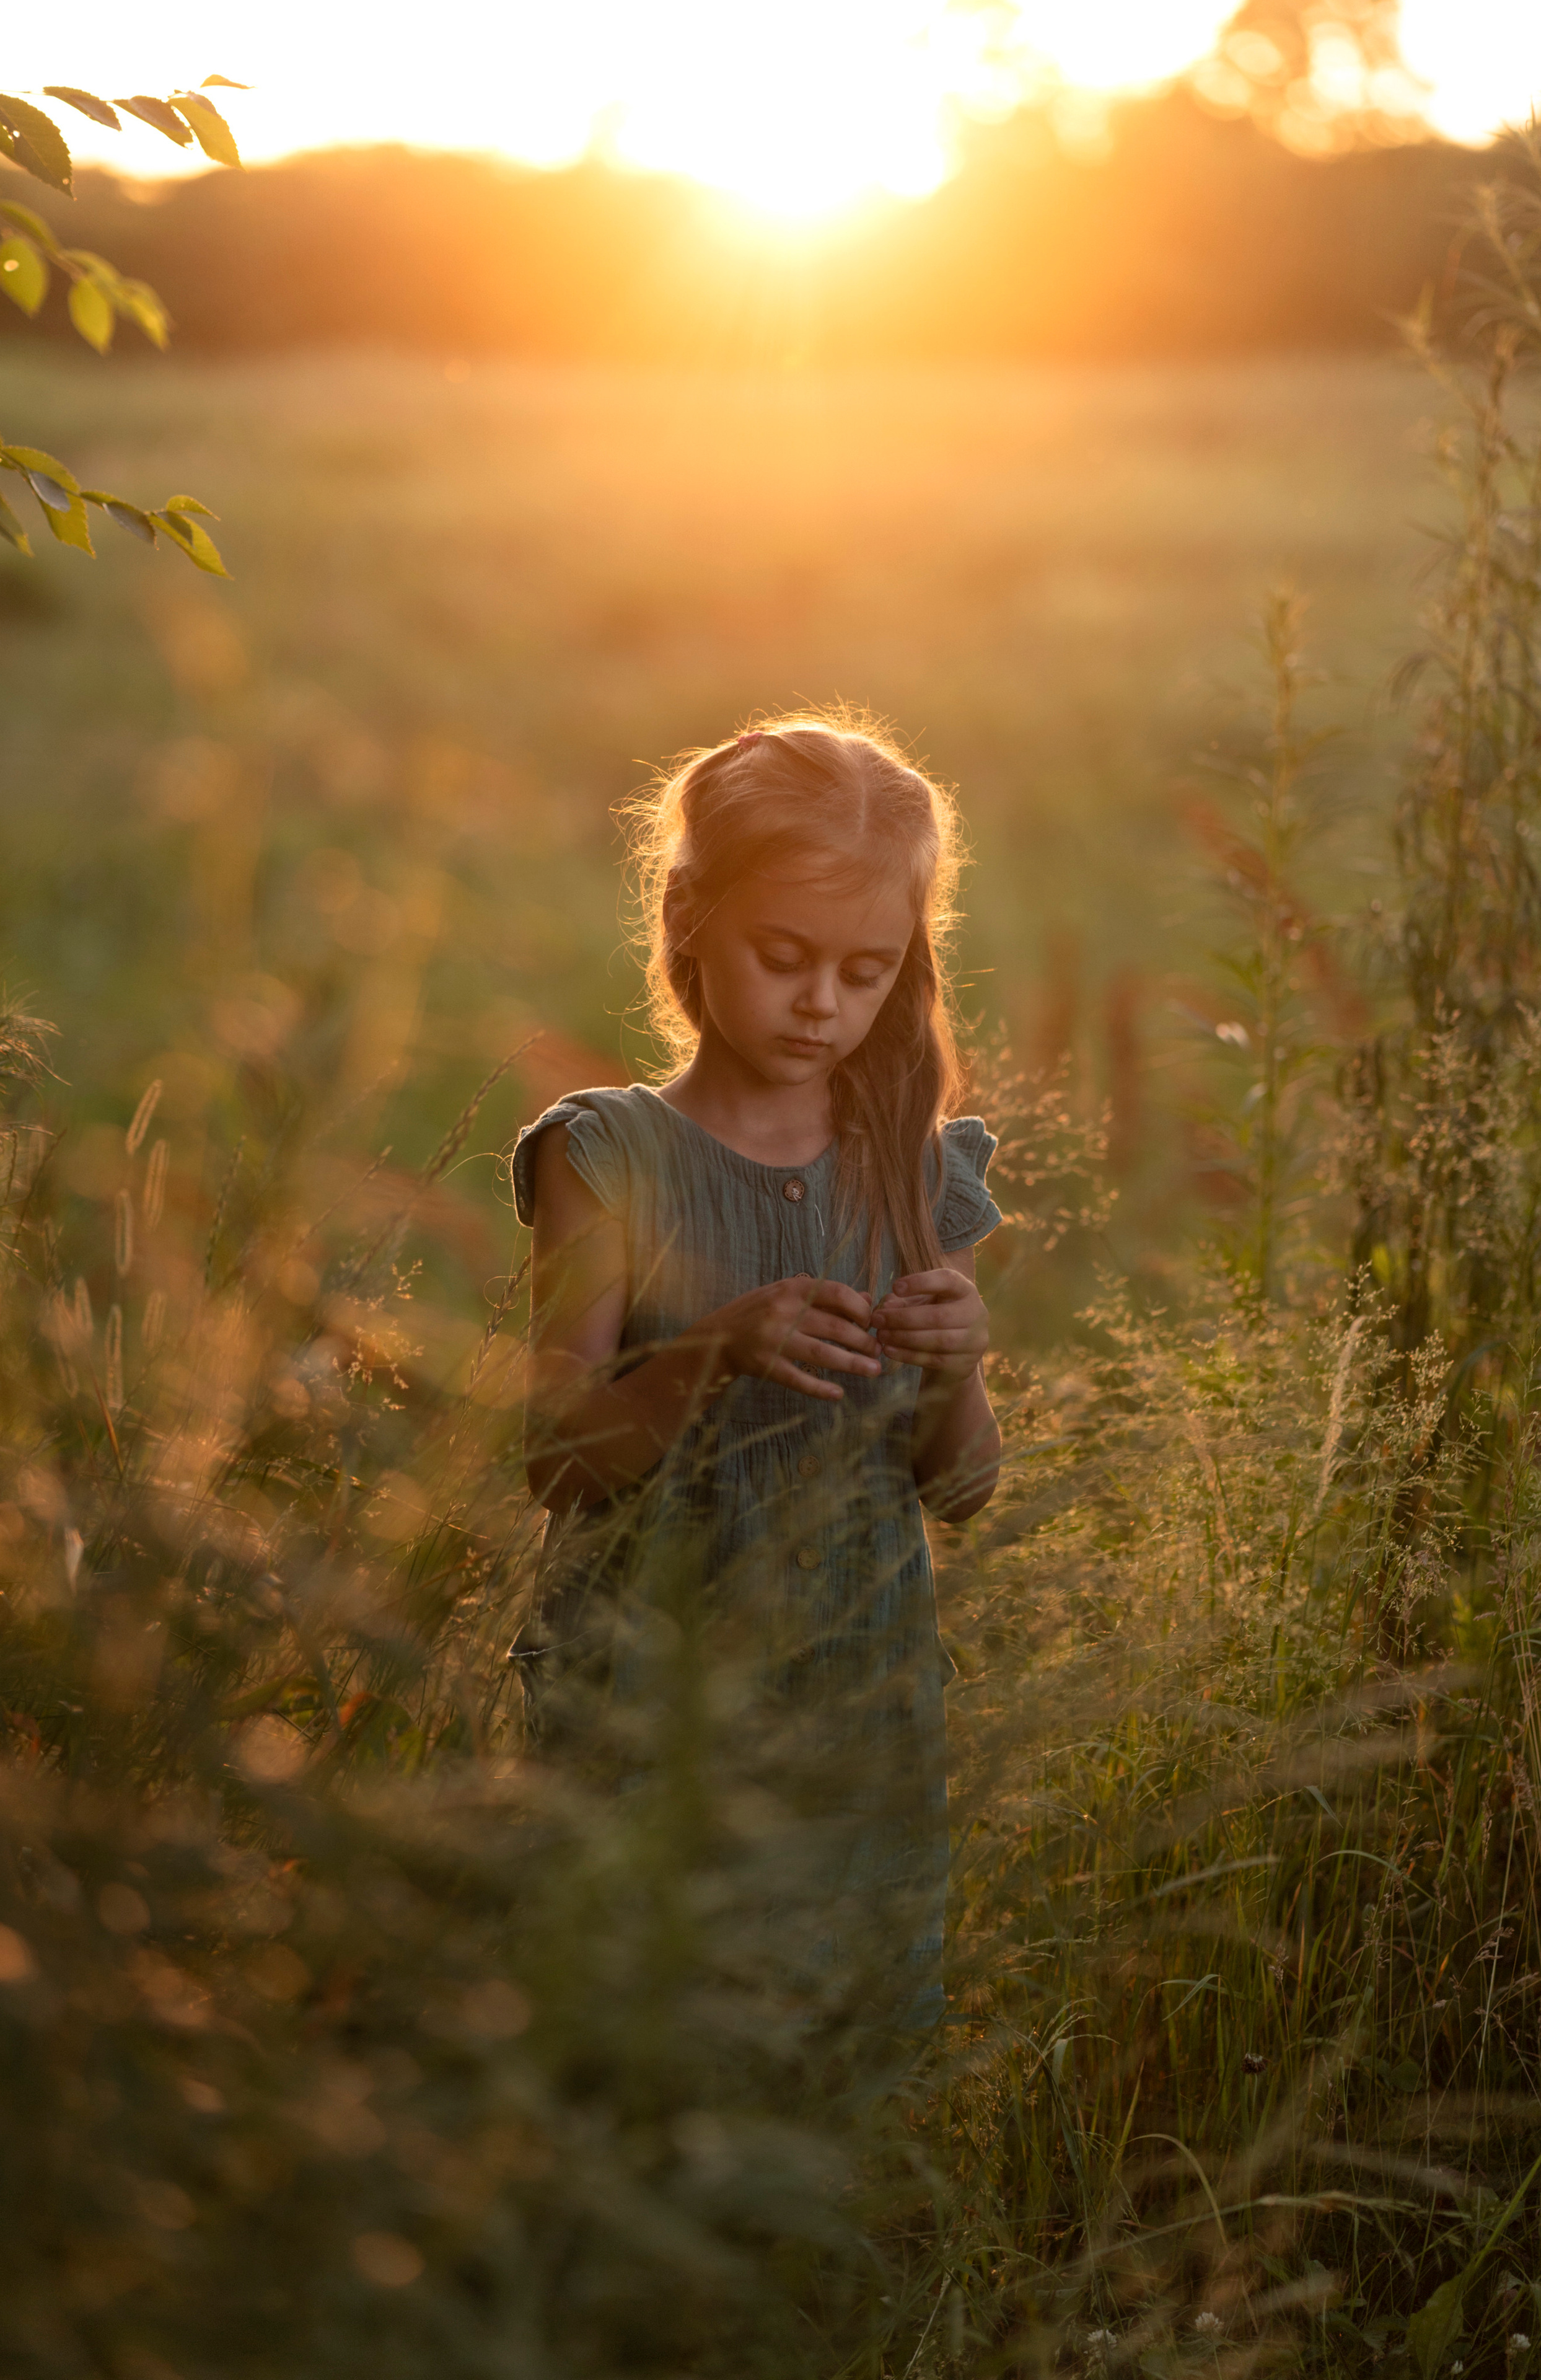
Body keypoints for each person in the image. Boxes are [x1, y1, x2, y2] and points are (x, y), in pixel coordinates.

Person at [509, 715, 1003, 2027]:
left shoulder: (911, 1165)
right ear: (687, 919)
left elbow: (959, 1493)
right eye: (782, 960)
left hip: (857, 1709)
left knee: (843, 2059)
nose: (821, 1006)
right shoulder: (605, 1158)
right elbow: (554, 1461)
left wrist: (957, 1370)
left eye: (865, 971)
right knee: (635, 2041)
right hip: (641, 1704)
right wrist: (712, 1359)